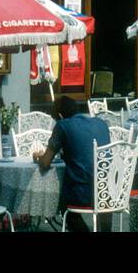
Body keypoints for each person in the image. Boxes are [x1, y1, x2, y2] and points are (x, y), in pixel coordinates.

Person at [33, 97, 111, 231]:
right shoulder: (101, 123)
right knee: (99, 195)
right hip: (108, 191)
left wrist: (38, 157)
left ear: (60, 116)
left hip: (83, 192)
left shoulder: (63, 125)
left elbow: (45, 163)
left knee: (63, 203)